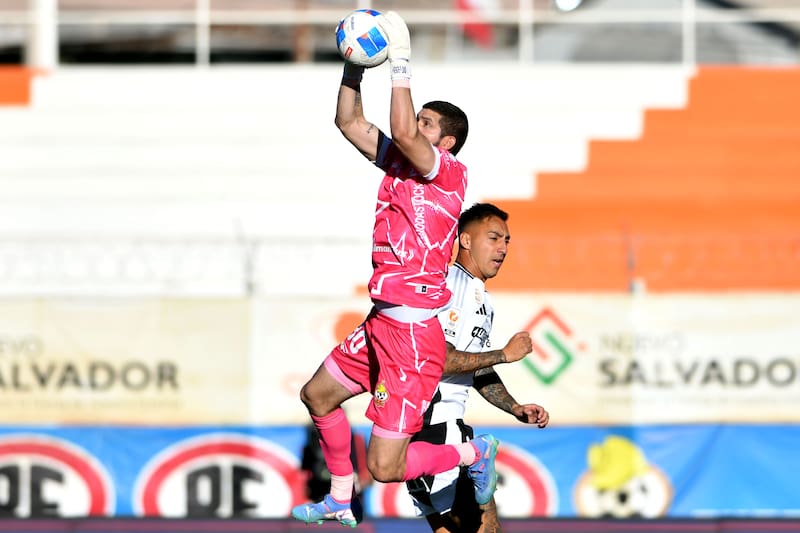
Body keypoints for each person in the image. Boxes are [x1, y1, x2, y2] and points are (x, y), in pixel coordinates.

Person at [291, 11, 499, 528]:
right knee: (317, 395)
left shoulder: (446, 173)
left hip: (410, 332)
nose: (414, 127)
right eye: (420, 120)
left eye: (429, 124)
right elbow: (348, 123)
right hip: (382, 319)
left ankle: (475, 454)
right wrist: (354, 69)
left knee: (385, 467)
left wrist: (400, 60)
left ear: (445, 142)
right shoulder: (401, 164)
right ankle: (341, 498)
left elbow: (404, 131)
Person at [406, 203, 550, 533]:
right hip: (434, 427)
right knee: (484, 525)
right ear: (466, 240)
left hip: (436, 428)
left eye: (507, 241)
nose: (503, 248)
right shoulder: (452, 286)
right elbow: (439, 359)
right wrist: (504, 353)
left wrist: (514, 407)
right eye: (494, 238)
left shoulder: (482, 298)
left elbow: (474, 366)